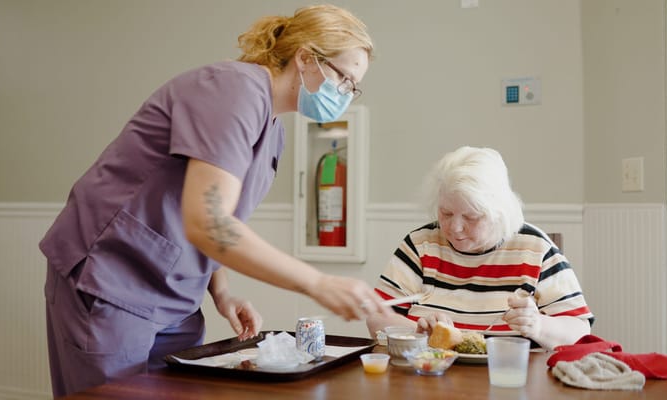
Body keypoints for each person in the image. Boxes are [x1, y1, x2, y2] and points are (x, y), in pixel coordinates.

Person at [40, 4, 388, 397]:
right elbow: (208, 222)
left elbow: (218, 216)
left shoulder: (273, 131)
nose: (344, 94)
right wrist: (318, 283)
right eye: (343, 78)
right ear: (305, 57)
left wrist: (220, 291)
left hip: (176, 298)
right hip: (112, 279)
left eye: (352, 88)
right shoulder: (232, 88)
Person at [366, 146, 594, 351]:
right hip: (428, 376)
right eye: (445, 213)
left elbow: (580, 332)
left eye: (471, 217)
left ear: (499, 212)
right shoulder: (421, 245)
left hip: (510, 379)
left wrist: (539, 325)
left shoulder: (535, 249)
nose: (454, 228)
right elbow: (377, 316)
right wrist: (417, 333)